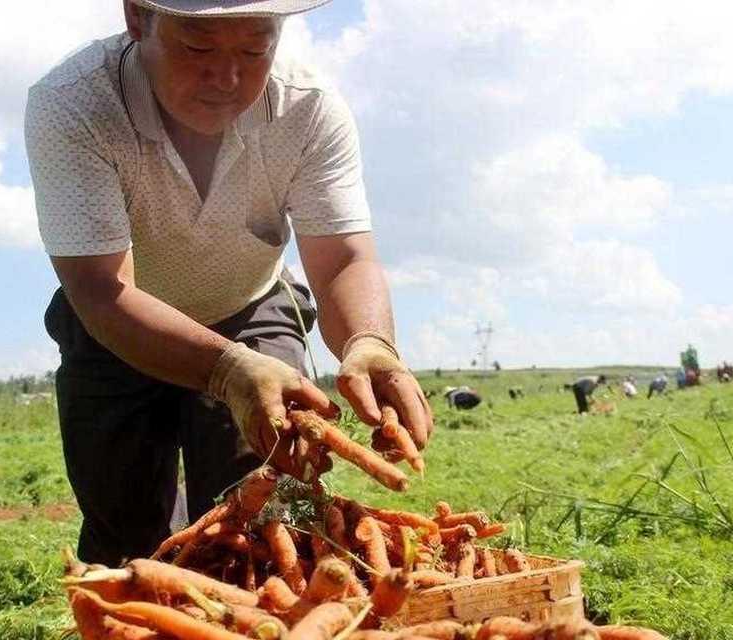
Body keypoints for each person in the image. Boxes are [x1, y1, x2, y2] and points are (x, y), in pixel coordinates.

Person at [25, 0, 433, 565]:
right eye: (198, 47)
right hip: (116, 324)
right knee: (127, 542)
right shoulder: (74, 103)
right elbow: (99, 288)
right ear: (137, 18)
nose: (227, 78)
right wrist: (224, 368)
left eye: (253, 48)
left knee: (267, 523)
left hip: (250, 306)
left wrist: (370, 341)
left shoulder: (308, 108)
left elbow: (342, 257)